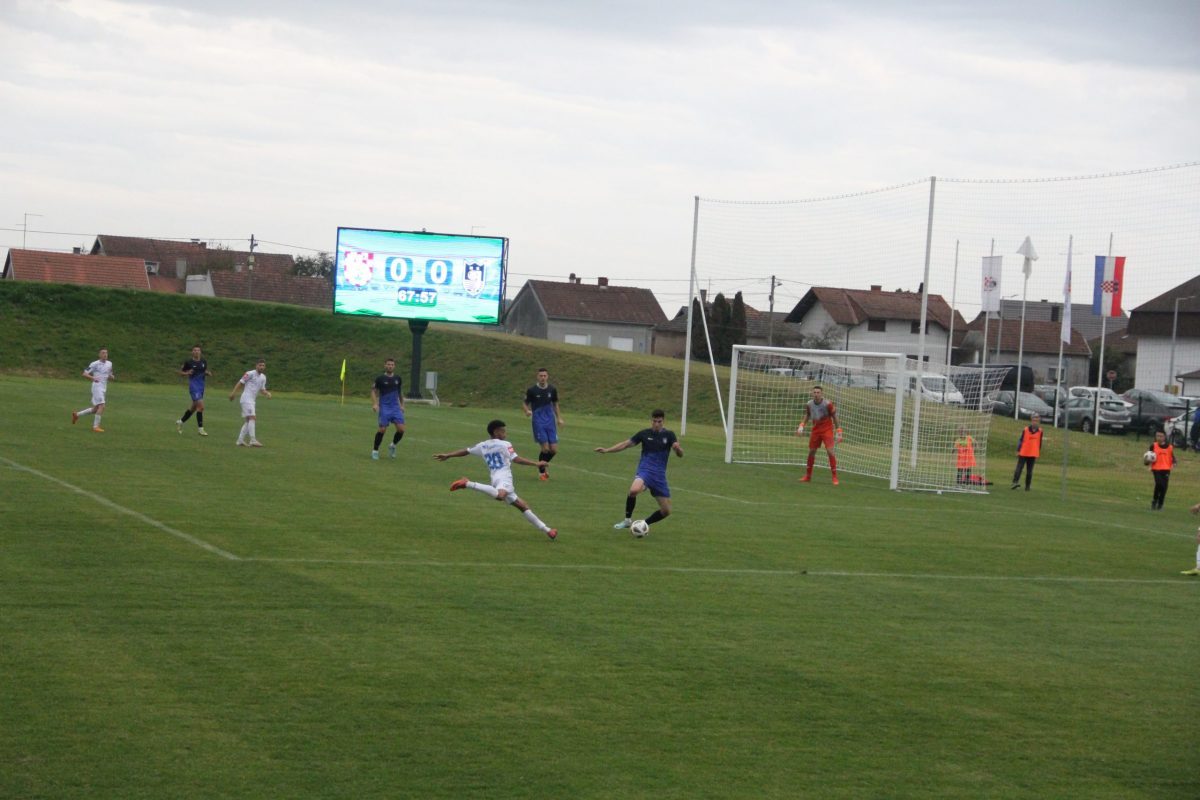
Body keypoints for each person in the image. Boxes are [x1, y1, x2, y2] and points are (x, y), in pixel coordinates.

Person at [434, 419, 557, 540]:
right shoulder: (505, 444)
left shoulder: (483, 445)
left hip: (495, 477)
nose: (505, 434)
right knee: (500, 496)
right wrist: (536, 463)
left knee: (522, 506)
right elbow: (516, 459)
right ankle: (468, 483)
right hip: (504, 477)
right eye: (503, 431)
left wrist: (449, 455)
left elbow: (466, 451)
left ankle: (548, 530)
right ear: (496, 432)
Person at [596, 409, 684, 532]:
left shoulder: (669, 435)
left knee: (666, 511)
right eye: (655, 421)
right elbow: (625, 444)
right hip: (645, 470)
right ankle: (627, 520)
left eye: (659, 421)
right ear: (651, 420)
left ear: (663, 421)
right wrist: (607, 450)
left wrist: (677, 449)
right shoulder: (644, 434)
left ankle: (643, 524)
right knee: (633, 490)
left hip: (659, 476)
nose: (657, 424)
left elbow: (680, 454)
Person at [795, 386, 842, 484]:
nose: (816, 394)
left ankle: (834, 477)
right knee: (812, 451)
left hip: (827, 430)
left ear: (822, 394)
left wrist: (839, 431)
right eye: (814, 392)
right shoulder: (809, 404)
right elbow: (808, 415)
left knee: (830, 451)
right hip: (816, 430)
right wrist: (801, 425)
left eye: (818, 392)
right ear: (812, 393)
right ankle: (808, 476)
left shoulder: (827, 404)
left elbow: (834, 416)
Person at [523, 367, 563, 480]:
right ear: (537, 376)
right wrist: (527, 411)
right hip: (538, 421)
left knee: (553, 450)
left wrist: (559, 418)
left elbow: (555, 404)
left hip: (550, 421)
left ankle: (541, 465)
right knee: (545, 449)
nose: (543, 378)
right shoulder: (532, 390)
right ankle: (542, 472)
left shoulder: (552, 389)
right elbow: (525, 403)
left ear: (547, 376)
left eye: (545, 376)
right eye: (541, 376)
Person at [229, 359, 271, 447]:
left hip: (252, 401)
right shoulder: (250, 373)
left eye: (263, 365)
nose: (261, 367)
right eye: (260, 365)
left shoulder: (263, 377)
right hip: (246, 399)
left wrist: (267, 393)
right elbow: (240, 383)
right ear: (256, 366)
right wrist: (233, 393)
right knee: (253, 418)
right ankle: (253, 440)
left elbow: (262, 390)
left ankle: (240, 440)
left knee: (248, 420)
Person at [72, 347, 115, 432]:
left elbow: (110, 373)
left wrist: (111, 376)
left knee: (96, 409)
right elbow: (84, 374)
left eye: (106, 353)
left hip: (103, 387)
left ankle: (77, 415)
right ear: (99, 355)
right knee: (102, 406)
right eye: (103, 353)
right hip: (97, 386)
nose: (105, 354)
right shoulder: (94, 364)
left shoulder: (109, 363)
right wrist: (93, 378)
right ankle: (96, 427)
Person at [371, 357, 406, 460]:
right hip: (385, 407)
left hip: (395, 407)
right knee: (382, 429)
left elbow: (400, 392)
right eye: (388, 364)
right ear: (385, 365)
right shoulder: (380, 379)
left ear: (394, 366)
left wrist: (402, 405)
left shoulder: (398, 379)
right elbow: (373, 391)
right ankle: (375, 450)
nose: (390, 366)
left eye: (392, 365)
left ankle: (393, 446)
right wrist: (375, 404)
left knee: (401, 429)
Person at [176, 345, 213, 436]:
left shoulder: (204, 362)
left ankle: (180, 421)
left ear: (200, 352)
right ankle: (201, 429)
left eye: (198, 350)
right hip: (193, 386)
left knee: (193, 408)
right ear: (192, 352)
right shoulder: (188, 362)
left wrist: (207, 373)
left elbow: (204, 371)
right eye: (195, 350)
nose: (196, 351)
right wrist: (187, 373)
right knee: (201, 407)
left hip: (201, 387)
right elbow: (180, 372)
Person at [1011, 413, 1043, 491]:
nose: (1035, 422)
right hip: (1024, 452)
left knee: (1029, 471)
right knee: (1019, 468)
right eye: (1033, 420)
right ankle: (1015, 482)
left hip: (1033, 453)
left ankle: (1027, 486)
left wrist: (1038, 451)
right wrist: (1018, 450)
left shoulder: (1040, 431)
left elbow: (1040, 442)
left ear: (1038, 422)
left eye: (1036, 421)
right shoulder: (1025, 430)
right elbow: (1021, 440)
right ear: (1031, 421)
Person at [1148, 429, 1176, 511]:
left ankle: (1159, 504)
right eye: (1157, 436)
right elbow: (1148, 457)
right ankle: (1155, 501)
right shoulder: (1153, 445)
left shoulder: (1170, 447)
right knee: (1160, 484)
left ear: (1164, 437)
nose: (1159, 438)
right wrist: (1149, 465)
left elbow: (1173, 457)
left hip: (1166, 469)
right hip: (1156, 469)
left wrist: (1174, 463)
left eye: (1161, 436)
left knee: (1164, 488)